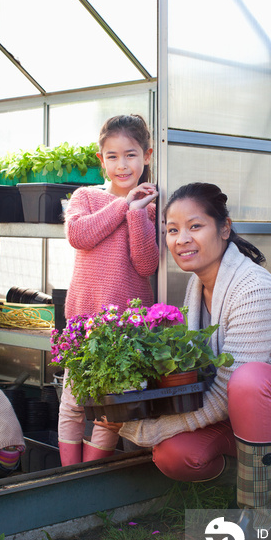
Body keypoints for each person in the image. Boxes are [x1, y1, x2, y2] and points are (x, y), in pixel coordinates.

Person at [101, 182, 271, 526]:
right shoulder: (198, 284)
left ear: (224, 228)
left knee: (248, 379)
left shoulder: (253, 289)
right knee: (176, 455)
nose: (182, 239)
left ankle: (257, 514)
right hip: (241, 412)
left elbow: (224, 393)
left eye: (195, 226)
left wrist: (146, 429)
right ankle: (252, 475)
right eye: (172, 230)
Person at [58, 114, 159, 466]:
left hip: (126, 328)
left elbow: (146, 264)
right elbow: (79, 235)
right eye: (113, 156)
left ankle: (92, 476)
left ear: (147, 156)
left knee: (112, 407)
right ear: (101, 160)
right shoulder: (85, 197)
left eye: (131, 155)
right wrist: (123, 204)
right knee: (73, 401)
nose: (122, 164)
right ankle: (70, 477)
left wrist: (137, 212)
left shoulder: (148, 208)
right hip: (84, 322)